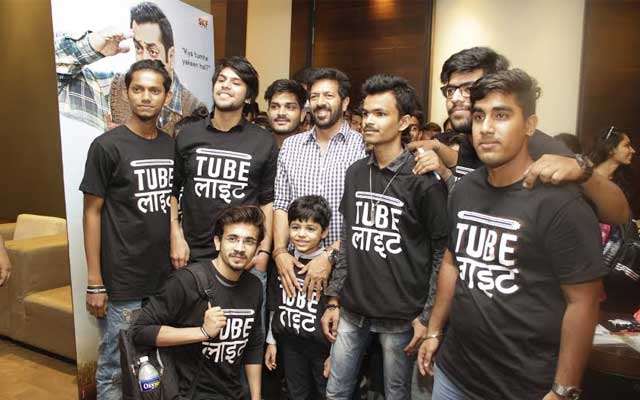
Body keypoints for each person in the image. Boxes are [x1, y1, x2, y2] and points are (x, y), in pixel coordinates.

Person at [418, 69, 606, 400]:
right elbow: (452, 261)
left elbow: (584, 302)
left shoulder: (560, 203)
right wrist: (434, 331)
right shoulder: (465, 189)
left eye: (501, 115)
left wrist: (563, 390)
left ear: (530, 125)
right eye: (479, 116)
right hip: (454, 372)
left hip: (522, 385)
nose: (486, 128)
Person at [323, 74, 449, 400]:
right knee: (335, 392)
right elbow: (349, 238)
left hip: (401, 317)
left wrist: (426, 317)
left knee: (396, 395)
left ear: (404, 122)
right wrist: (334, 298)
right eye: (366, 113)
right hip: (353, 308)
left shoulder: (423, 180)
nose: (368, 121)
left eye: (380, 114)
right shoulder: (356, 172)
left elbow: (442, 253)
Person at [409, 46, 630, 225]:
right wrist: (438, 149)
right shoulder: (470, 139)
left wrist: (583, 170)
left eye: (468, 89)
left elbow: (619, 214)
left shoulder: (536, 146)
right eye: (450, 90)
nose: (455, 98)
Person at [80, 59, 175, 400]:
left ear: (166, 96)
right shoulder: (107, 146)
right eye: (138, 89)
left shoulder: (171, 145)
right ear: (126, 93)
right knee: (114, 366)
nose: (146, 97)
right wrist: (95, 281)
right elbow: (91, 213)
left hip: (164, 278)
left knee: (154, 365)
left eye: (154, 90)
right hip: (122, 280)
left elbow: (174, 203)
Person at [132, 205, 266, 400]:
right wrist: (202, 332)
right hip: (190, 393)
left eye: (249, 241)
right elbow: (140, 331)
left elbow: (253, 344)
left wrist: (256, 396)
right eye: (232, 239)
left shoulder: (254, 286)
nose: (240, 248)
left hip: (232, 392)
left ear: (257, 249)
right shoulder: (186, 281)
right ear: (217, 242)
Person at [170, 56, 277, 269]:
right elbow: (172, 190)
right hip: (191, 254)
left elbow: (267, 201)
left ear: (249, 97)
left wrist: (263, 251)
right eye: (221, 80)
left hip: (242, 257)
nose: (226, 86)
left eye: (236, 82)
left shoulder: (263, 141)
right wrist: (175, 235)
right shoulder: (188, 135)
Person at [273, 67, 365, 301]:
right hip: (295, 267)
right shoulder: (291, 146)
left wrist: (329, 255)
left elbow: (365, 215)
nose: (320, 102)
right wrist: (280, 251)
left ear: (345, 103)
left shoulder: (363, 147)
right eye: (314, 96)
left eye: (328, 95)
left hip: (347, 267)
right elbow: (281, 204)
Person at [55, 1, 205, 137]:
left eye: (153, 51)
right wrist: (93, 46)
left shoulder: (195, 109)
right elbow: (50, 83)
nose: (144, 58)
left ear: (170, 56)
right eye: (139, 48)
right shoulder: (111, 90)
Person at [265, 195, 333, 399]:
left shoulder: (329, 268)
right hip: (290, 344)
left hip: (322, 347)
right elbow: (274, 305)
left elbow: (339, 315)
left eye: (310, 229)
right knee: (296, 394)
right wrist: (271, 342)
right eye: (295, 227)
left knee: (326, 393)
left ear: (324, 232)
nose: (301, 234)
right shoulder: (283, 264)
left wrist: (336, 354)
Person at [590, 126, 637, 312]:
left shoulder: (624, 183)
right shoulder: (585, 177)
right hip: (587, 249)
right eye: (627, 145)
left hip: (611, 259)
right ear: (611, 149)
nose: (632, 150)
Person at [264, 79, 307, 148]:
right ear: (268, 112)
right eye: (274, 107)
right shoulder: (258, 144)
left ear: (302, 114)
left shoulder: (312, 148)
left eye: (289, 107)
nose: (281, 113)